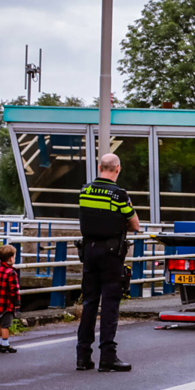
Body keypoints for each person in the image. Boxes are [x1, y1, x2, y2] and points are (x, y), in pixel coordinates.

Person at [76, 153, 139, 372]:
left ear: (99, 167)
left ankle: (83, 357)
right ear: (117, 169)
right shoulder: (119, 195)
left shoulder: (85, 191)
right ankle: (107, 356)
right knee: (110, 304)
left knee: (89, 304)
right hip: (111, 254)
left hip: (89, 252)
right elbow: (135, 224)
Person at [0, 245, 20, 353]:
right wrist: (17, 301)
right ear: (11, 258)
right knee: (5, 326)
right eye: (14, 257)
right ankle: (5, 344)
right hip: (6, 304)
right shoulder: (11, 273)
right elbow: (14, 289)